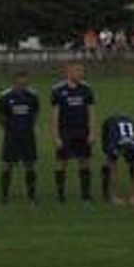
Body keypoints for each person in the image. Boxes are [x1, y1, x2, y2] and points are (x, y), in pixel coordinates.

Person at [50, 61, 96, 204]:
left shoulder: (87, 89)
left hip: (82, 130)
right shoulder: (58, 90)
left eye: (82, 71)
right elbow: (54, 115)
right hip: (65, 131)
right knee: (61, 162)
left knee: (84, 161)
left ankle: (86, 196)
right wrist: (55, 135)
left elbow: (91, 112)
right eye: (78, 71)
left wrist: (93, 132)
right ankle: (60, 195)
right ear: (69, 72)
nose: (81, 74)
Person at [0, 71, 40, 203]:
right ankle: (5, 195)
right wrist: (9, 129)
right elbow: (1, 117)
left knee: (30, 164)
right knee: (7, 165)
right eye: (20, 83)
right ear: (14, 82)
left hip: (28, 135)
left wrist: (28, 126)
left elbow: (35, 114)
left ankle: (31, 195)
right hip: (11, 136)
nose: (23, 84)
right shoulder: (5, 96)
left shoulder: (32, 96)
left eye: (25, 82)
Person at [100, 113, 134, 205]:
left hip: (128, 122)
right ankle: (108, 190)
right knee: (109, 161)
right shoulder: (115, 146)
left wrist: (133, 197)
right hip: (109, 124)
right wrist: (114, 197)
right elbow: (114, 170)